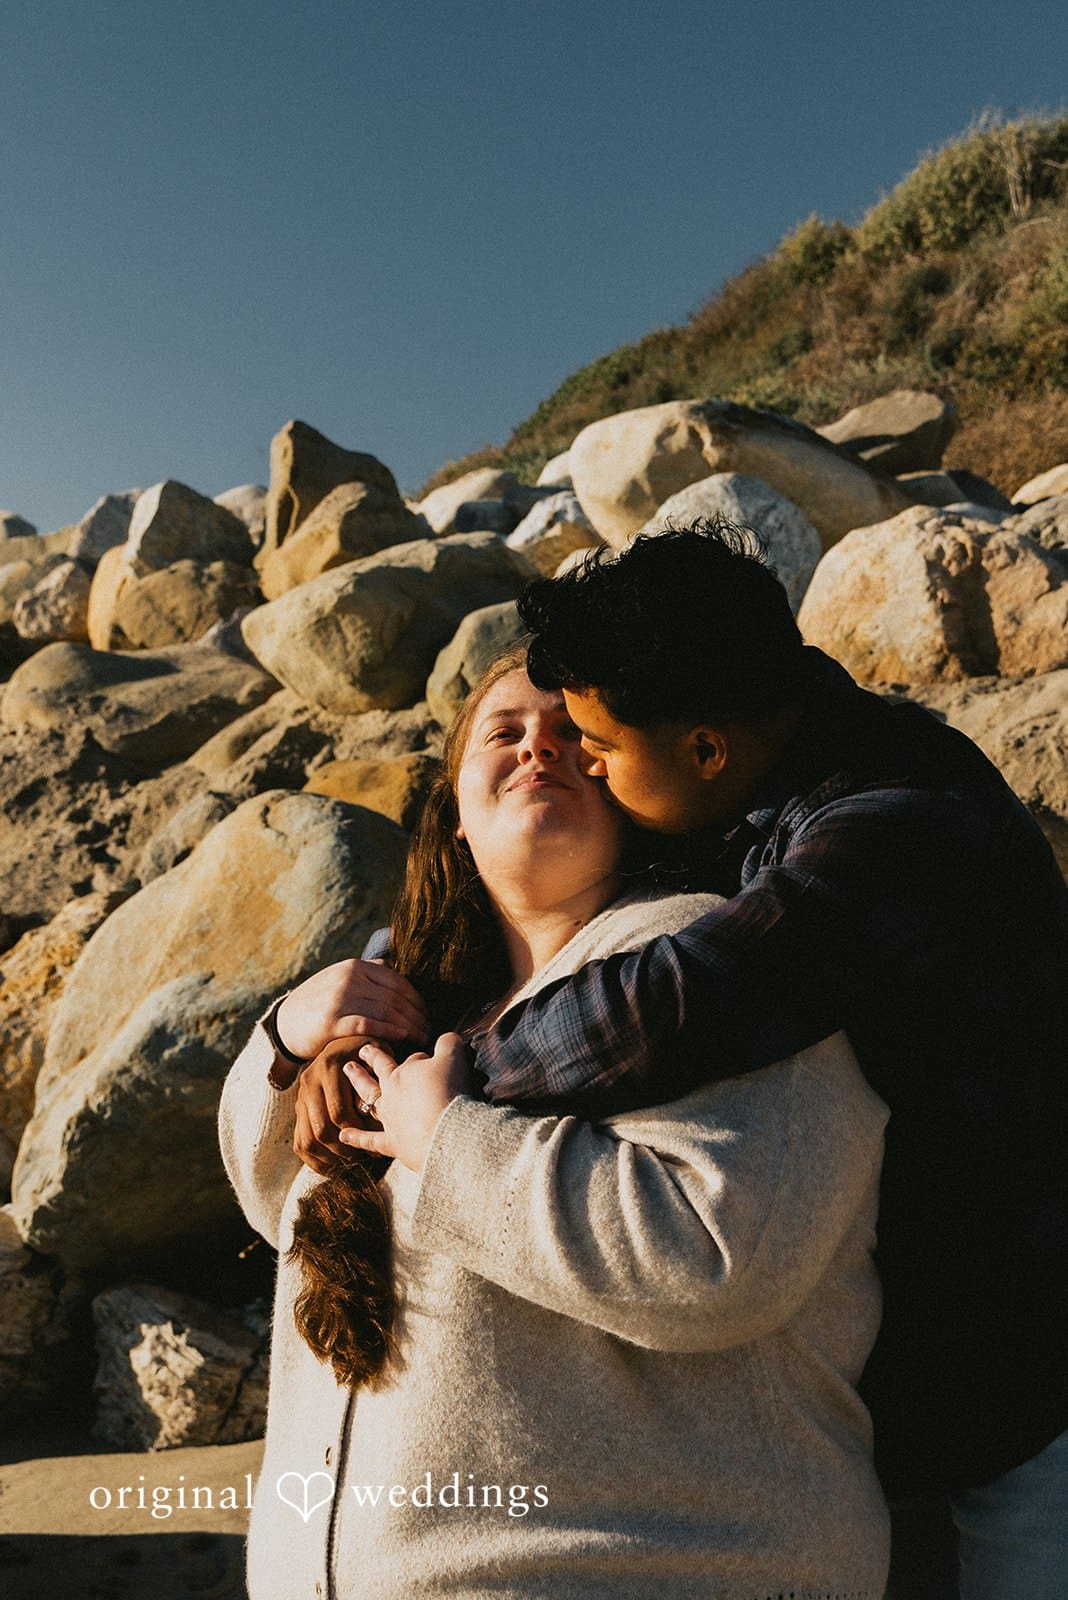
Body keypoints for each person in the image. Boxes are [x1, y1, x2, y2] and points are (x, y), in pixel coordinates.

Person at [353, 522, 1066, 1600]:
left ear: (703, 751)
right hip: (894, 1399)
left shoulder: (896, 825)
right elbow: (521, 899)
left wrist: (448, 1078)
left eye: (595, 743)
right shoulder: (759, 740)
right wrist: (373, 996)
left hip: (1021, 1395)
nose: (574, 759)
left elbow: (675, 1002)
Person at [218, 647, 891, 1600]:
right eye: (505, 733)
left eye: (576, 734)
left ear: (637, 781)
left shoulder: (716, 964)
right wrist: (283, 1044)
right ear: (454, 813)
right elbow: (274, 1202)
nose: (540, 749)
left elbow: (715, 1258)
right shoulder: (416, 1009)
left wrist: (452, 1146)